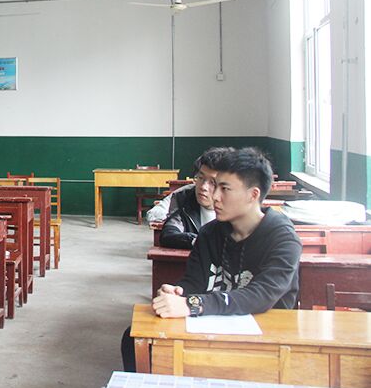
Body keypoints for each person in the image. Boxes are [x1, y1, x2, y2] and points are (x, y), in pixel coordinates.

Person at [122, 147, 301, 371]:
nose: (215, 196)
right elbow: (194, 282)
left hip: (267, 336)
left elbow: (262, 295)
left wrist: (192, 304)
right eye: (216, 187)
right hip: (214, 324)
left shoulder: (282, 237)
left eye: (224, 188)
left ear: (253, 195)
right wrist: (178, 292)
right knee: (134, 338)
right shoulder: (210, 233)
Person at [159, 147, 233, 249]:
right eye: (200, 178)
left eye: (213, 182)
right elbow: (168, 234)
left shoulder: (240, 206)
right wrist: (197, 241)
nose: (203, 187)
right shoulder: (184, 199)